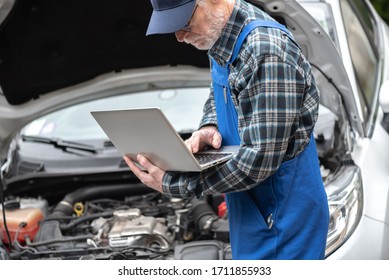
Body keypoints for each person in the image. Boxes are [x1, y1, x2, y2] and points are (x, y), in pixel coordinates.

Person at [124, 0, 330, 260]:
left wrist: (175, 184)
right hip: (250, 207)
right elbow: (219, 90)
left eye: (185, 24)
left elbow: (259, 160)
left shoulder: (266, 52)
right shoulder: (223, 34)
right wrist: (209, 126)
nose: (179, 37)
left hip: (284, 216)